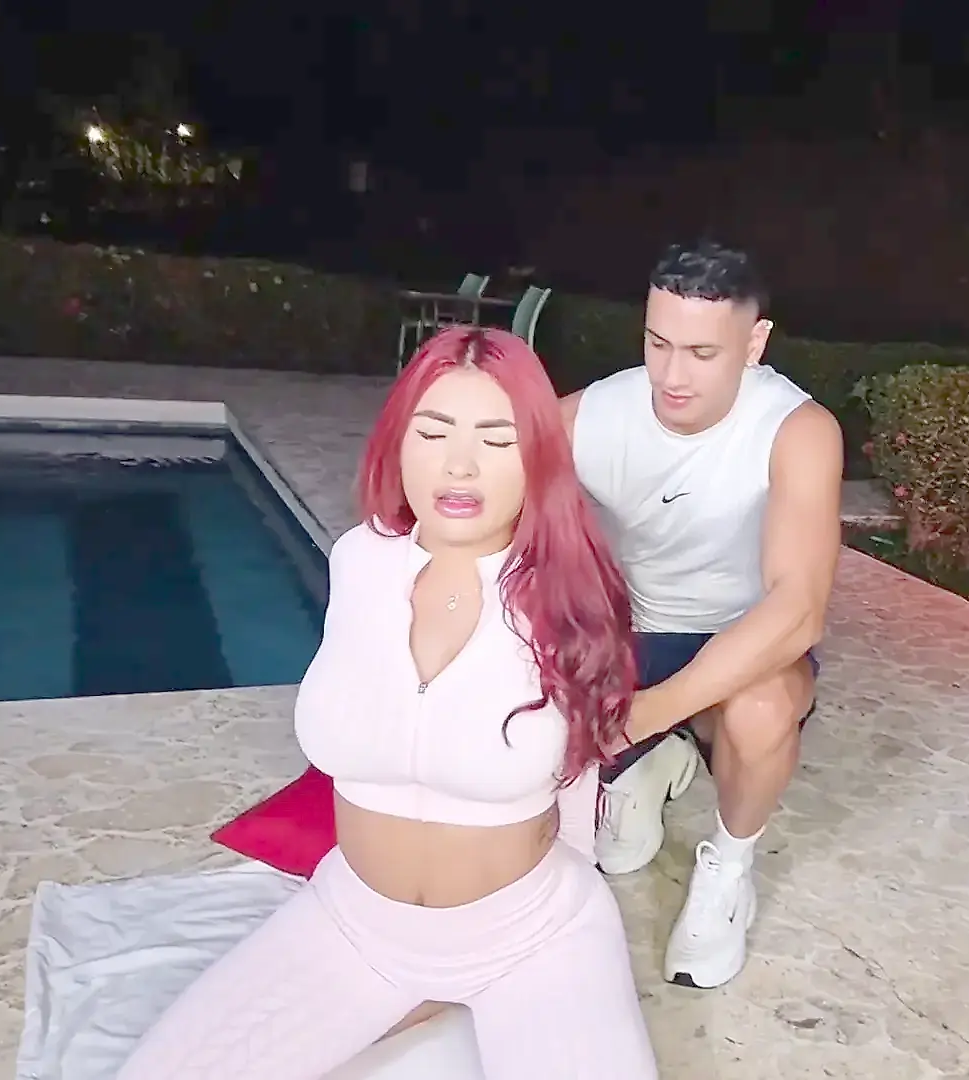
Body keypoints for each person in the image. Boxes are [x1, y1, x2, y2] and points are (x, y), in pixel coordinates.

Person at [117, 328, 658, 1079]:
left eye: (496, 440)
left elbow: (579, 773)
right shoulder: (360, 562)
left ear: (537, 458)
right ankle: (414, 996)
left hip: (532, 933)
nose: (459, 465)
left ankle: (444, 997)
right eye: (433, 433)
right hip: (357, 925)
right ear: (398, 443)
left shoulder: (565, 593)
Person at [562, 240, 844, 990]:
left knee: (760, 710)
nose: (672, 376)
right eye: (658, 344)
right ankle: (655, 759)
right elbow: (491, 480)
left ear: (754, 343)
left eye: (701, 352)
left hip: (740, 644)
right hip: (632, 635)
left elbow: (798, 611)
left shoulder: (797, 429)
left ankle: (728, 869)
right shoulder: (599, 411)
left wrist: (645, 714)